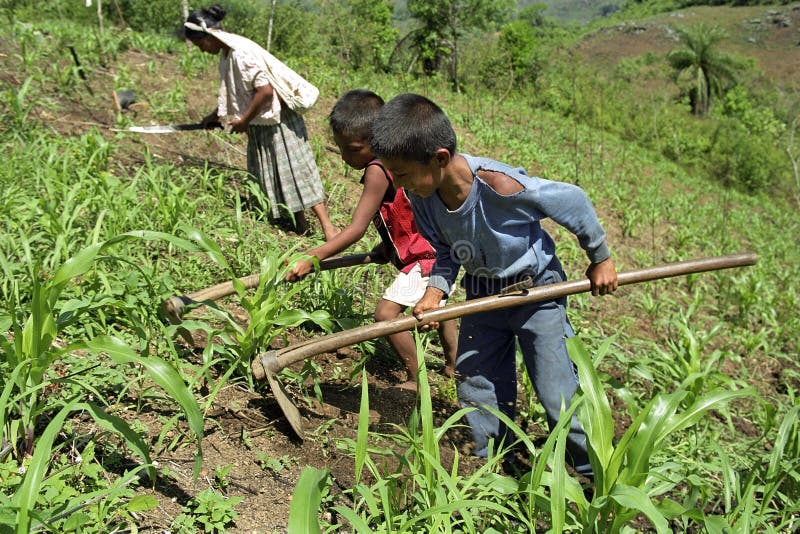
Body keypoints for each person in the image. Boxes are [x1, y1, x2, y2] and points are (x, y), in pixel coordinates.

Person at [369, 93, 618, 476]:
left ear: (438, 158)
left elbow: (573, 201)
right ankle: (491, 462)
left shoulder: (499, 186)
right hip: (483, 294)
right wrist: (435, 292)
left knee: (556, 391)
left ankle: (589, 473)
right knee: (476, 380)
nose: (397, 184)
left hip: (535, 291)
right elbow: (446, 251)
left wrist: (599, 257)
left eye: (401, 174)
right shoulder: (423, 197)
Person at [285, 89, 458, 391]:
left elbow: (355, 229)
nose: (344, 156)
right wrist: (387, 248)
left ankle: (417, 381)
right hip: (431, 249)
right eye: (340, 148)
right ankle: (455, 366)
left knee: (385, 314)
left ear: (375, 140)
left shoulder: (378, 170)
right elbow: (401, 212)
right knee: (443, 311)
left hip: (426, 257)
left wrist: (312, 257)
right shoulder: (393, 165)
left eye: (351, 149)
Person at [183, 5, 339, 239]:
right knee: (280, 174)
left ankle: (329, 228)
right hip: (262, 123)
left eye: (200, 45)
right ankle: (300, 224)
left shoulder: (240, 53)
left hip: (280, 121)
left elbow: (265, 91)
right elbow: (236, 92)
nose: (202, 50)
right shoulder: (227, 55)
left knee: (297, 171)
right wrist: (214, 116)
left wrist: (244, 120)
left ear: (210, 36)